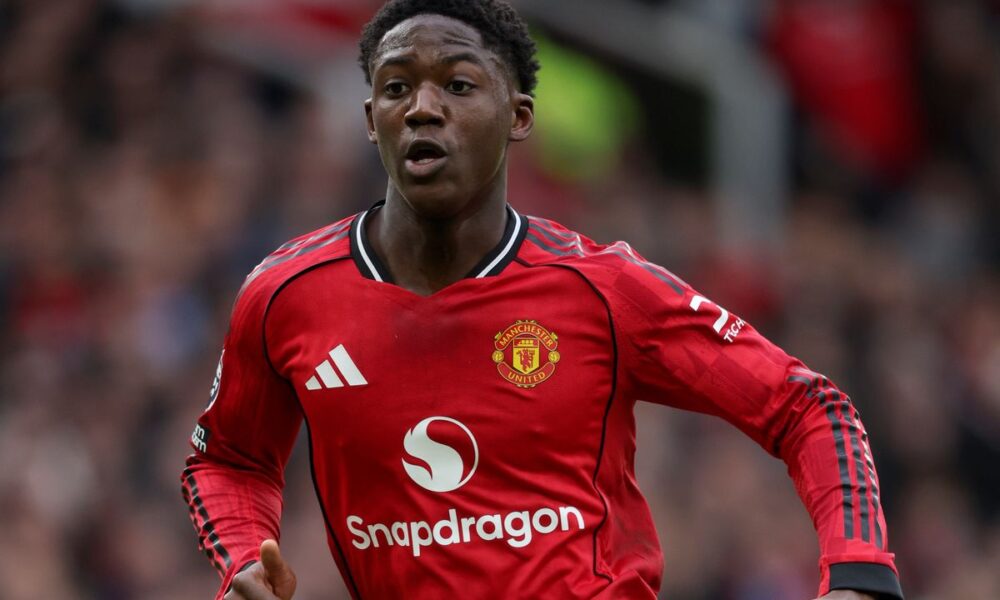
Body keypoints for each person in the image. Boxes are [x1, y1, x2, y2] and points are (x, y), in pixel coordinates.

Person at [181, 1, 903, 598]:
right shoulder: (285, 295)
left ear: (519, 115)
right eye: (397, 88)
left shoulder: (603, 289)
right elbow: (229, 460)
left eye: (458, 86)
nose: (424, 108)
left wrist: (859, 571)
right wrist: (243, 559)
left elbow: (807, 407)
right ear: (372, 119)